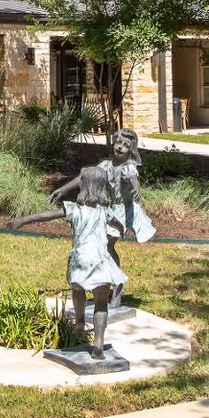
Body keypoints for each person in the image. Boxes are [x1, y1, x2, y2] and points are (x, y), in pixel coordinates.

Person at [12, 165, 126, 359]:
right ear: (101, 187)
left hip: (81, 258)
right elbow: (116, 223)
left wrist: (23, 220)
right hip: (101, 259)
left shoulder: (74, 208)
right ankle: (98, 344)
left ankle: (79, 323)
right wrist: (121, 229)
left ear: (85, 185)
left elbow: (48, 215)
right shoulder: (105, 211)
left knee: (78, 288)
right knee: (100, 303)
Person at [51, 128, 153, 309]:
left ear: (131, 149)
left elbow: (133, 181)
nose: (120, 147)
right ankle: (105, 283)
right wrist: (63, 189)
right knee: (104, 247)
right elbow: (84, 178)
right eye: (118, 143)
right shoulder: (105, 165)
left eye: (126, 145)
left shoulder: (128, 168)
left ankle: (116, 287)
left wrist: (136, 190)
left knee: (106, 246)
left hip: (124, 211)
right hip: (111, 209)